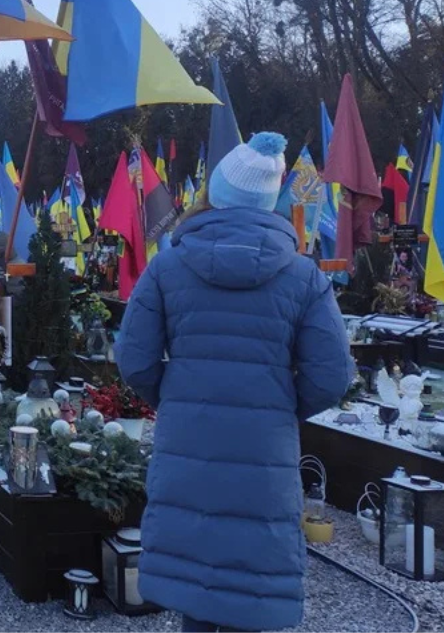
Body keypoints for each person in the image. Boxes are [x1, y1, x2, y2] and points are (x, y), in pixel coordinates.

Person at [115, 132, 353, 633]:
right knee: (253, 583)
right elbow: (332, 377)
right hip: (264, 454)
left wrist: (175, 395)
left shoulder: (168, 267)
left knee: (195, 583)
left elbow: (134, 360)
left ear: (216, 193)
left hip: (187, 442)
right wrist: (280, 405)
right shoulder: (304, 276)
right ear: (270, 201)